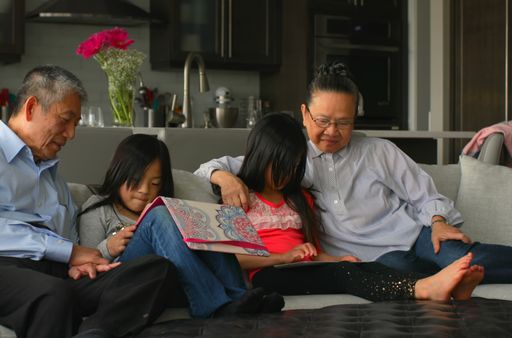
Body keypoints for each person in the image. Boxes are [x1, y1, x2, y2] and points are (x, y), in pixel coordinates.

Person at [0, 65, 180, 338]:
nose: (71, 134)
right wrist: (67, 252)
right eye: (65, 120)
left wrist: (78, 261)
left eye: (75, 124)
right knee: (52, 295)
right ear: (31, 107)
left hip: (49, 271)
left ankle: (94, 333)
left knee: (155, 271)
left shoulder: (53, 179)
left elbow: (68, 239)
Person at [195, 61, 512, 283]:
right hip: (376, 261)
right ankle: (446, 281)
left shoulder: (378, 151)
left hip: (416, 237)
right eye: (322, 120)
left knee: (466, 258)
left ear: (355, 120)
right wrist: (223, 178)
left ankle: (452, 274)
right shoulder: (291, 158)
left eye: (344, 122)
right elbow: (212, 167)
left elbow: (425, 196)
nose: (332, 131)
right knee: (396, 269)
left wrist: (439, 223)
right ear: (304, 114)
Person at [230, 112, 483, 301]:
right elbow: (234, 259)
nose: (286, 176)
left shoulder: (299, 200)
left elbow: (312, 254)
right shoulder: (239, 198)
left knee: (365, 266)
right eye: (280, 167)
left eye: (294, 167)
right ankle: (423, 289)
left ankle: (446, 288)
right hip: (266, 275)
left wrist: (339, 259)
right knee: (342, 274)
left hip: (303, 268)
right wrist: (285, 257)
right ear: (260, 157)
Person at [76, 133, 284, 319]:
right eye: (135, 180)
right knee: (159, 214)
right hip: (124, 276)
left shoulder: (167, 206)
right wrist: (108, 247)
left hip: (169, 276)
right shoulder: (97, 208)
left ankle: (240, 299)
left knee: (199, 222)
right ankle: (210, 305)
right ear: (118, 174)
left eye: (155, 183)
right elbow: (87, 269)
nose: (144, 190)